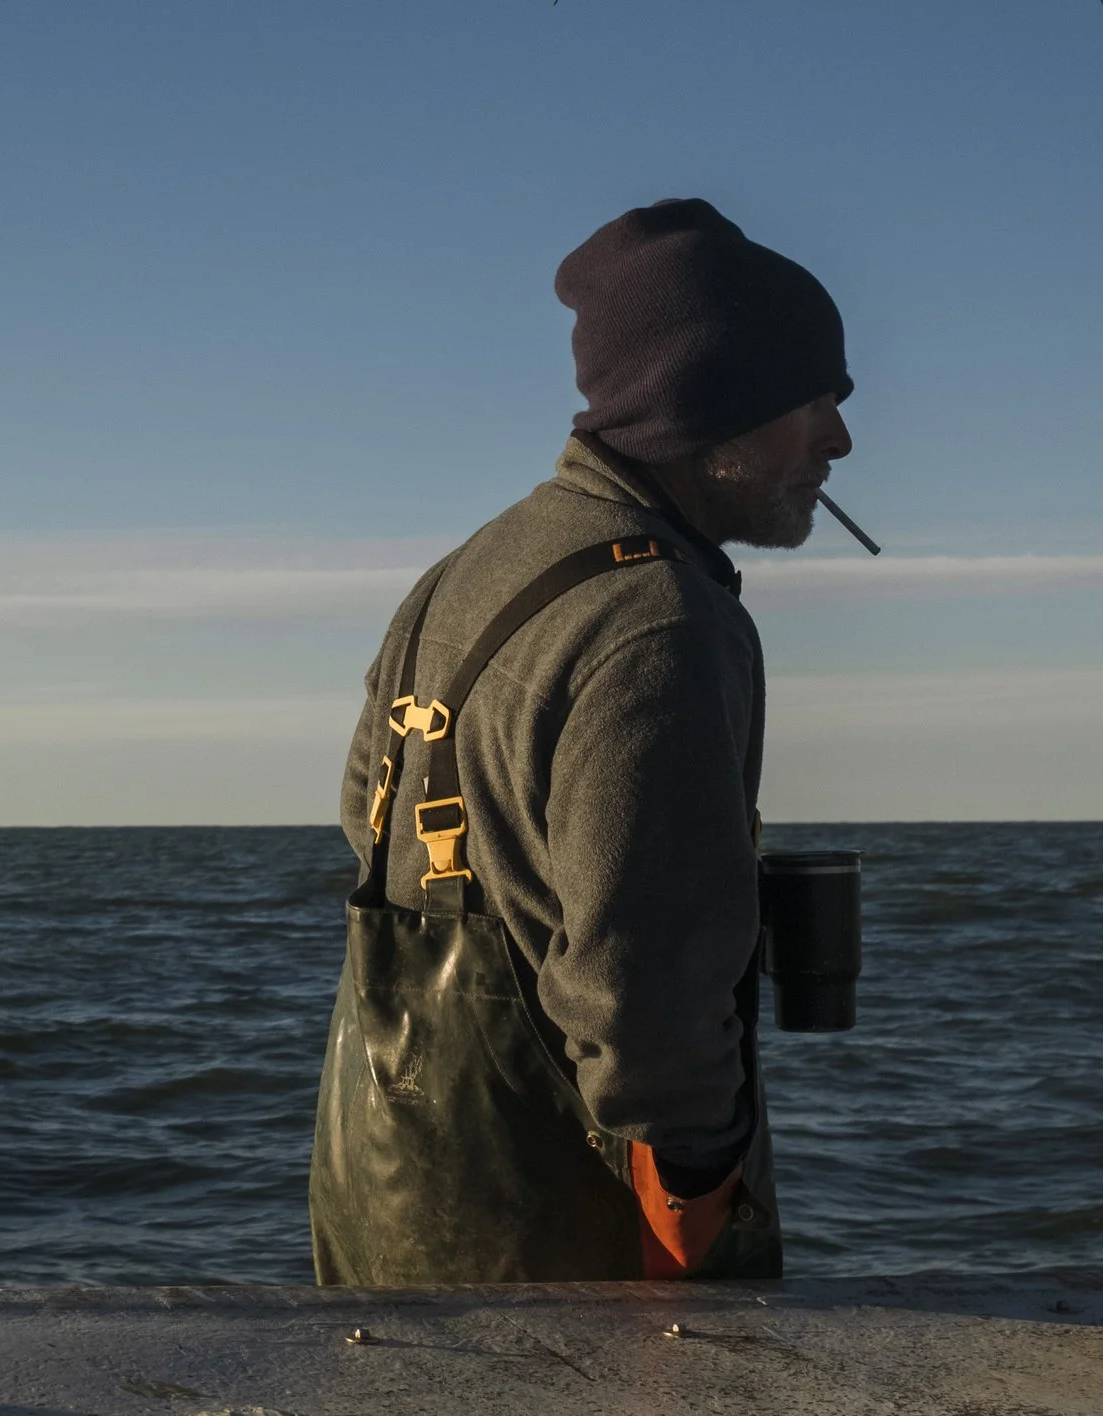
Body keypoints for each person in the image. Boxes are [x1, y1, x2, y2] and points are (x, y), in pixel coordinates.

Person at [310, 198, 853, 1284]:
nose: (838, 441)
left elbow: (362, 822)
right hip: (577, 1248)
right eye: (814, 404)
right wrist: (701, 1197)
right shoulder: (662, 617)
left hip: (378, 1205)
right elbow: (641, 999)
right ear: (715, 413)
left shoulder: (465, 572)